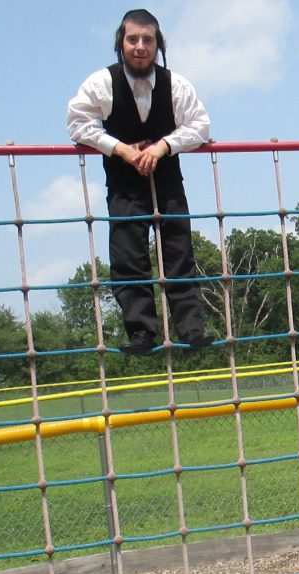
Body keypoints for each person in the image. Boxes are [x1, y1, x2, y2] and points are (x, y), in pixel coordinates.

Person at [67, 8, 214, 354]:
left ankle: (192, 329)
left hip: (168, 180)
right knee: (127, 255)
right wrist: (121, 150)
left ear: (158, 45)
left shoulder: (176, 84)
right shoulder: (100, 83)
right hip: (123, 182)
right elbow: (77, 124)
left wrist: (164, 146)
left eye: (147, 40)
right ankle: (141, 333)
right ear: (121, 43)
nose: (140, 47)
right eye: (133, 39)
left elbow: (200, 125)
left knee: (179, 251)